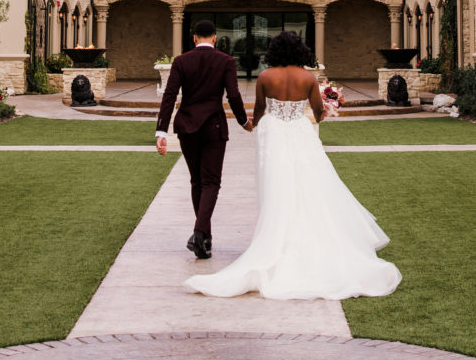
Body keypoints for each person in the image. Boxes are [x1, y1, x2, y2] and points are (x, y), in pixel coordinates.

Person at [185, 30, 401, 300]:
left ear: (274, 51)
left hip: (273, 132)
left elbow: (261, 110)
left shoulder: (265, 77)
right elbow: (318, 114)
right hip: (300, 132)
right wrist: (329, 105)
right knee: (308, 183)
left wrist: (253, 124)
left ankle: (275, 234)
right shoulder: (308, 78)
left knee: (276, 183)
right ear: (299, 51)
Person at [156, 20, 252, 259]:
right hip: (213, 126)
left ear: (195, 38)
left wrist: (161, 132)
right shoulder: (226, 61)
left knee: (197, 181)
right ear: (215, 38)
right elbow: (233, 95)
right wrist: (244, 121)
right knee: (211, 182)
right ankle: (200, 233)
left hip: (187, 125)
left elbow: (169, 96)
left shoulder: (181, 61)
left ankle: (204, 238)